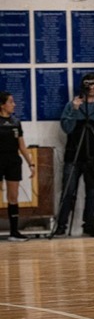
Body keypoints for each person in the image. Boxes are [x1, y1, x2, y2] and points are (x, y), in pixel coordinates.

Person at [55, 73, 94, 236]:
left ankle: (88, 225)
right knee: (68, 191)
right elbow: (66, 128)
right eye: (88, 84)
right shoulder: (73, 105)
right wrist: (74, 110)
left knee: (92, 193)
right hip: (73, 156)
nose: (91, 87)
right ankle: (61, 225)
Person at [0, 92, 35, 242]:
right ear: (2, 105)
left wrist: (31, 163)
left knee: (13, 197)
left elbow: (22, 145)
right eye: (11, 102)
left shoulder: (15, 122)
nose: (14, 104)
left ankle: (14, 232)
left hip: (13, 161)